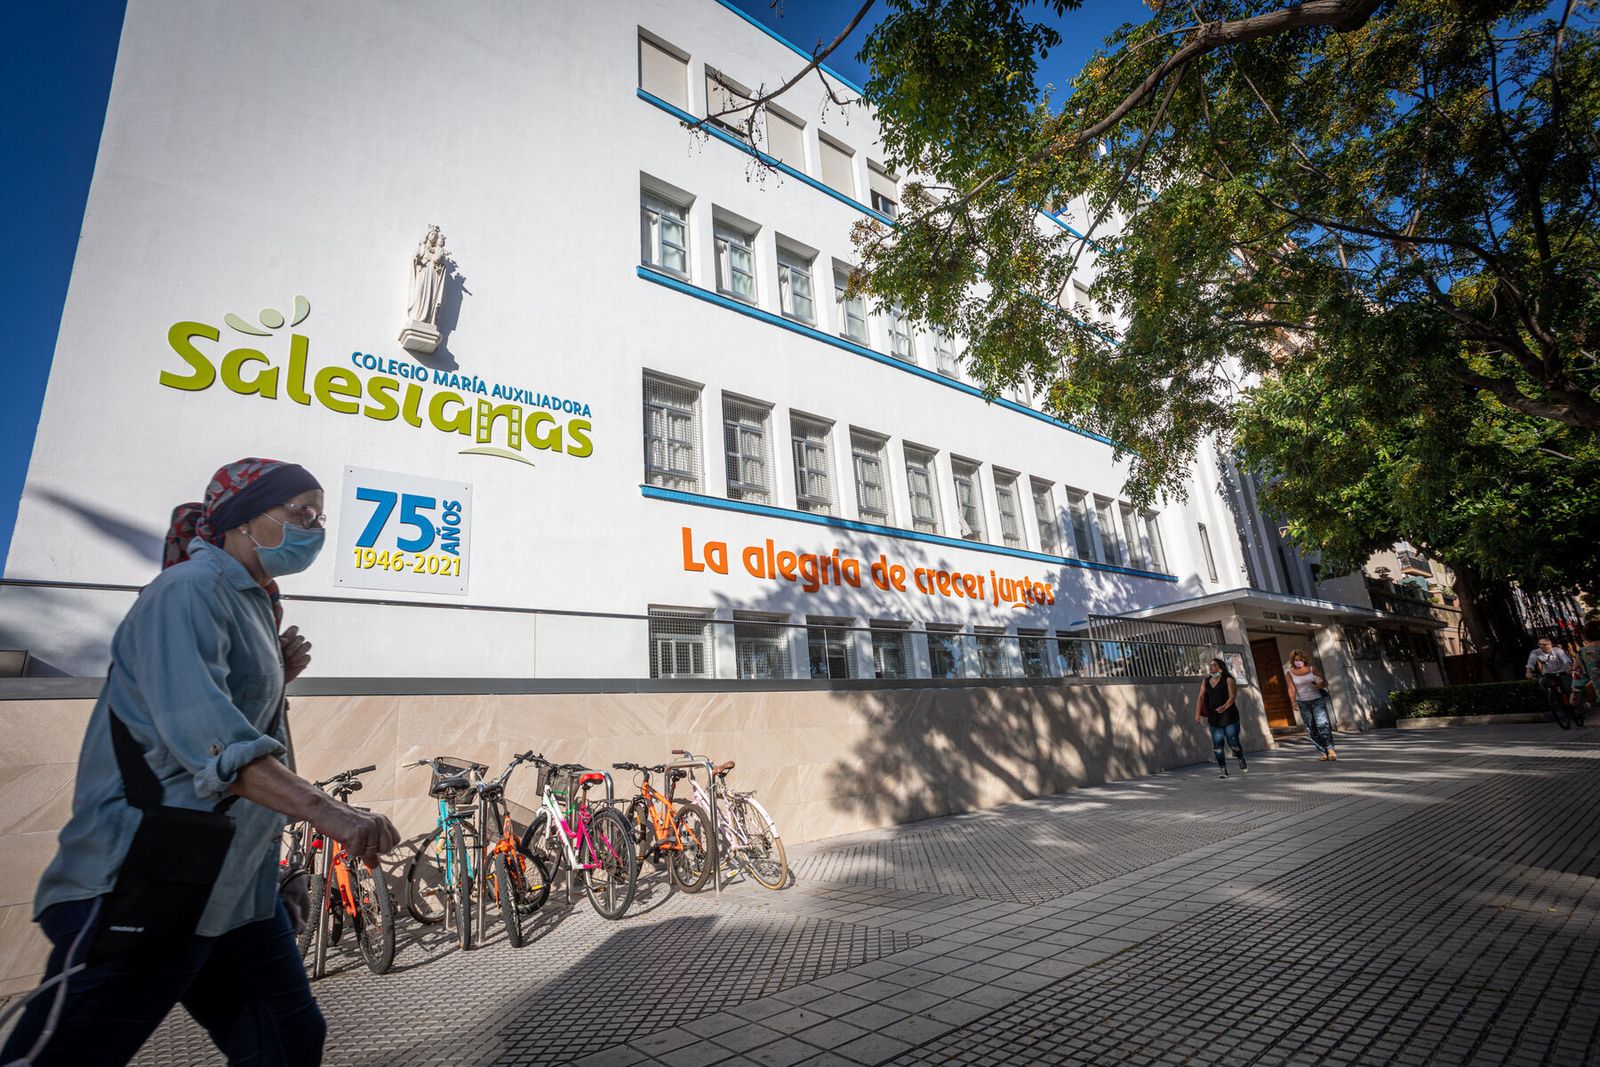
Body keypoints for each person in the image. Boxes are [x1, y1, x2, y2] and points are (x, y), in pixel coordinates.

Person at [0, 458, 400, 1067]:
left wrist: (276, 678)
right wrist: (330, 813)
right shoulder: (189, 590)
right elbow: (213, 743)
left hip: (234, 893)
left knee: (288, 1045)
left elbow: (239, 724)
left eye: (320, 517)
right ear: (243, 520)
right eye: (301, 512)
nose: (315, 528)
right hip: (147, 880)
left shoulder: (253, 604)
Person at [1195, 658, 1247, 778]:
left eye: (1214, 665)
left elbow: (1232, 698)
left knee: (1233, 742)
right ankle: (1223, 769)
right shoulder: (1206, 681)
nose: (1211, 667)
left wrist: (1224, 707)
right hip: (1214, 718)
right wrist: (1197, 714)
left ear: (1221, 668)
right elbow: (1201, 697)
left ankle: (1240, 757)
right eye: (1210, 665)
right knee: (1218, 746)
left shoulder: (1228, 680)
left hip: (1230, 717)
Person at [1285, 649, 1336, 761]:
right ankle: (1322, 752)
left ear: (1304, 660)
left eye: (1300, 659)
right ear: (1292, 661)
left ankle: (1330, 749)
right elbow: (1291, 688)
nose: (1298, 661)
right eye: (1296, 660)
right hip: (1302, 702)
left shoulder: (1312, 669)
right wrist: (1293, 702)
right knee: (1311, 727)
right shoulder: (1289, 672)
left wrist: (1320, 684)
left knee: (1322, 724)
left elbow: (1325, 683)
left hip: (1317, 699)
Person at [1525, 636, 1575, 716]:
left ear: (1550, 645)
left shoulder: (1558, 651)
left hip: (1562, 672)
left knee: (1568, 688)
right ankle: (1554, 698)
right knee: (1542, 682)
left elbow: (1566, 660)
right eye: (1540, 644)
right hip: (1548, 674)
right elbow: (1530, 663)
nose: (1541, 646)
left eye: (1544, 644)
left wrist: (1568, 667)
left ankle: (1575, 706)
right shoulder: (1535, 652)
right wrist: (1528, 672)